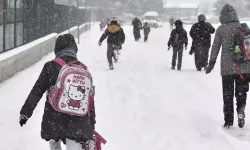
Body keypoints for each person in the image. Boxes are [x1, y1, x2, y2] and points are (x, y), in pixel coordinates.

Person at [19, 34, 96, 150]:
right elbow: (89, 101)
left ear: (57, 49)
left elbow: (37, 90)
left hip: (54, 119)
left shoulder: (51, 66)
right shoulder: (83, 70)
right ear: (75, 49)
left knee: (54, 143)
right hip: (78, 122)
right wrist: (91, 124)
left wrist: (25, 112)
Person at [206, 4, 250, 129]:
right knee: (241, 93)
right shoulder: (243, 28)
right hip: (244, 68)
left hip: (227, 68)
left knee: (228, 95)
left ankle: (228, 121)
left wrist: (211, 63)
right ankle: (241, 111)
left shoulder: (221, 29)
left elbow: (215, 47)